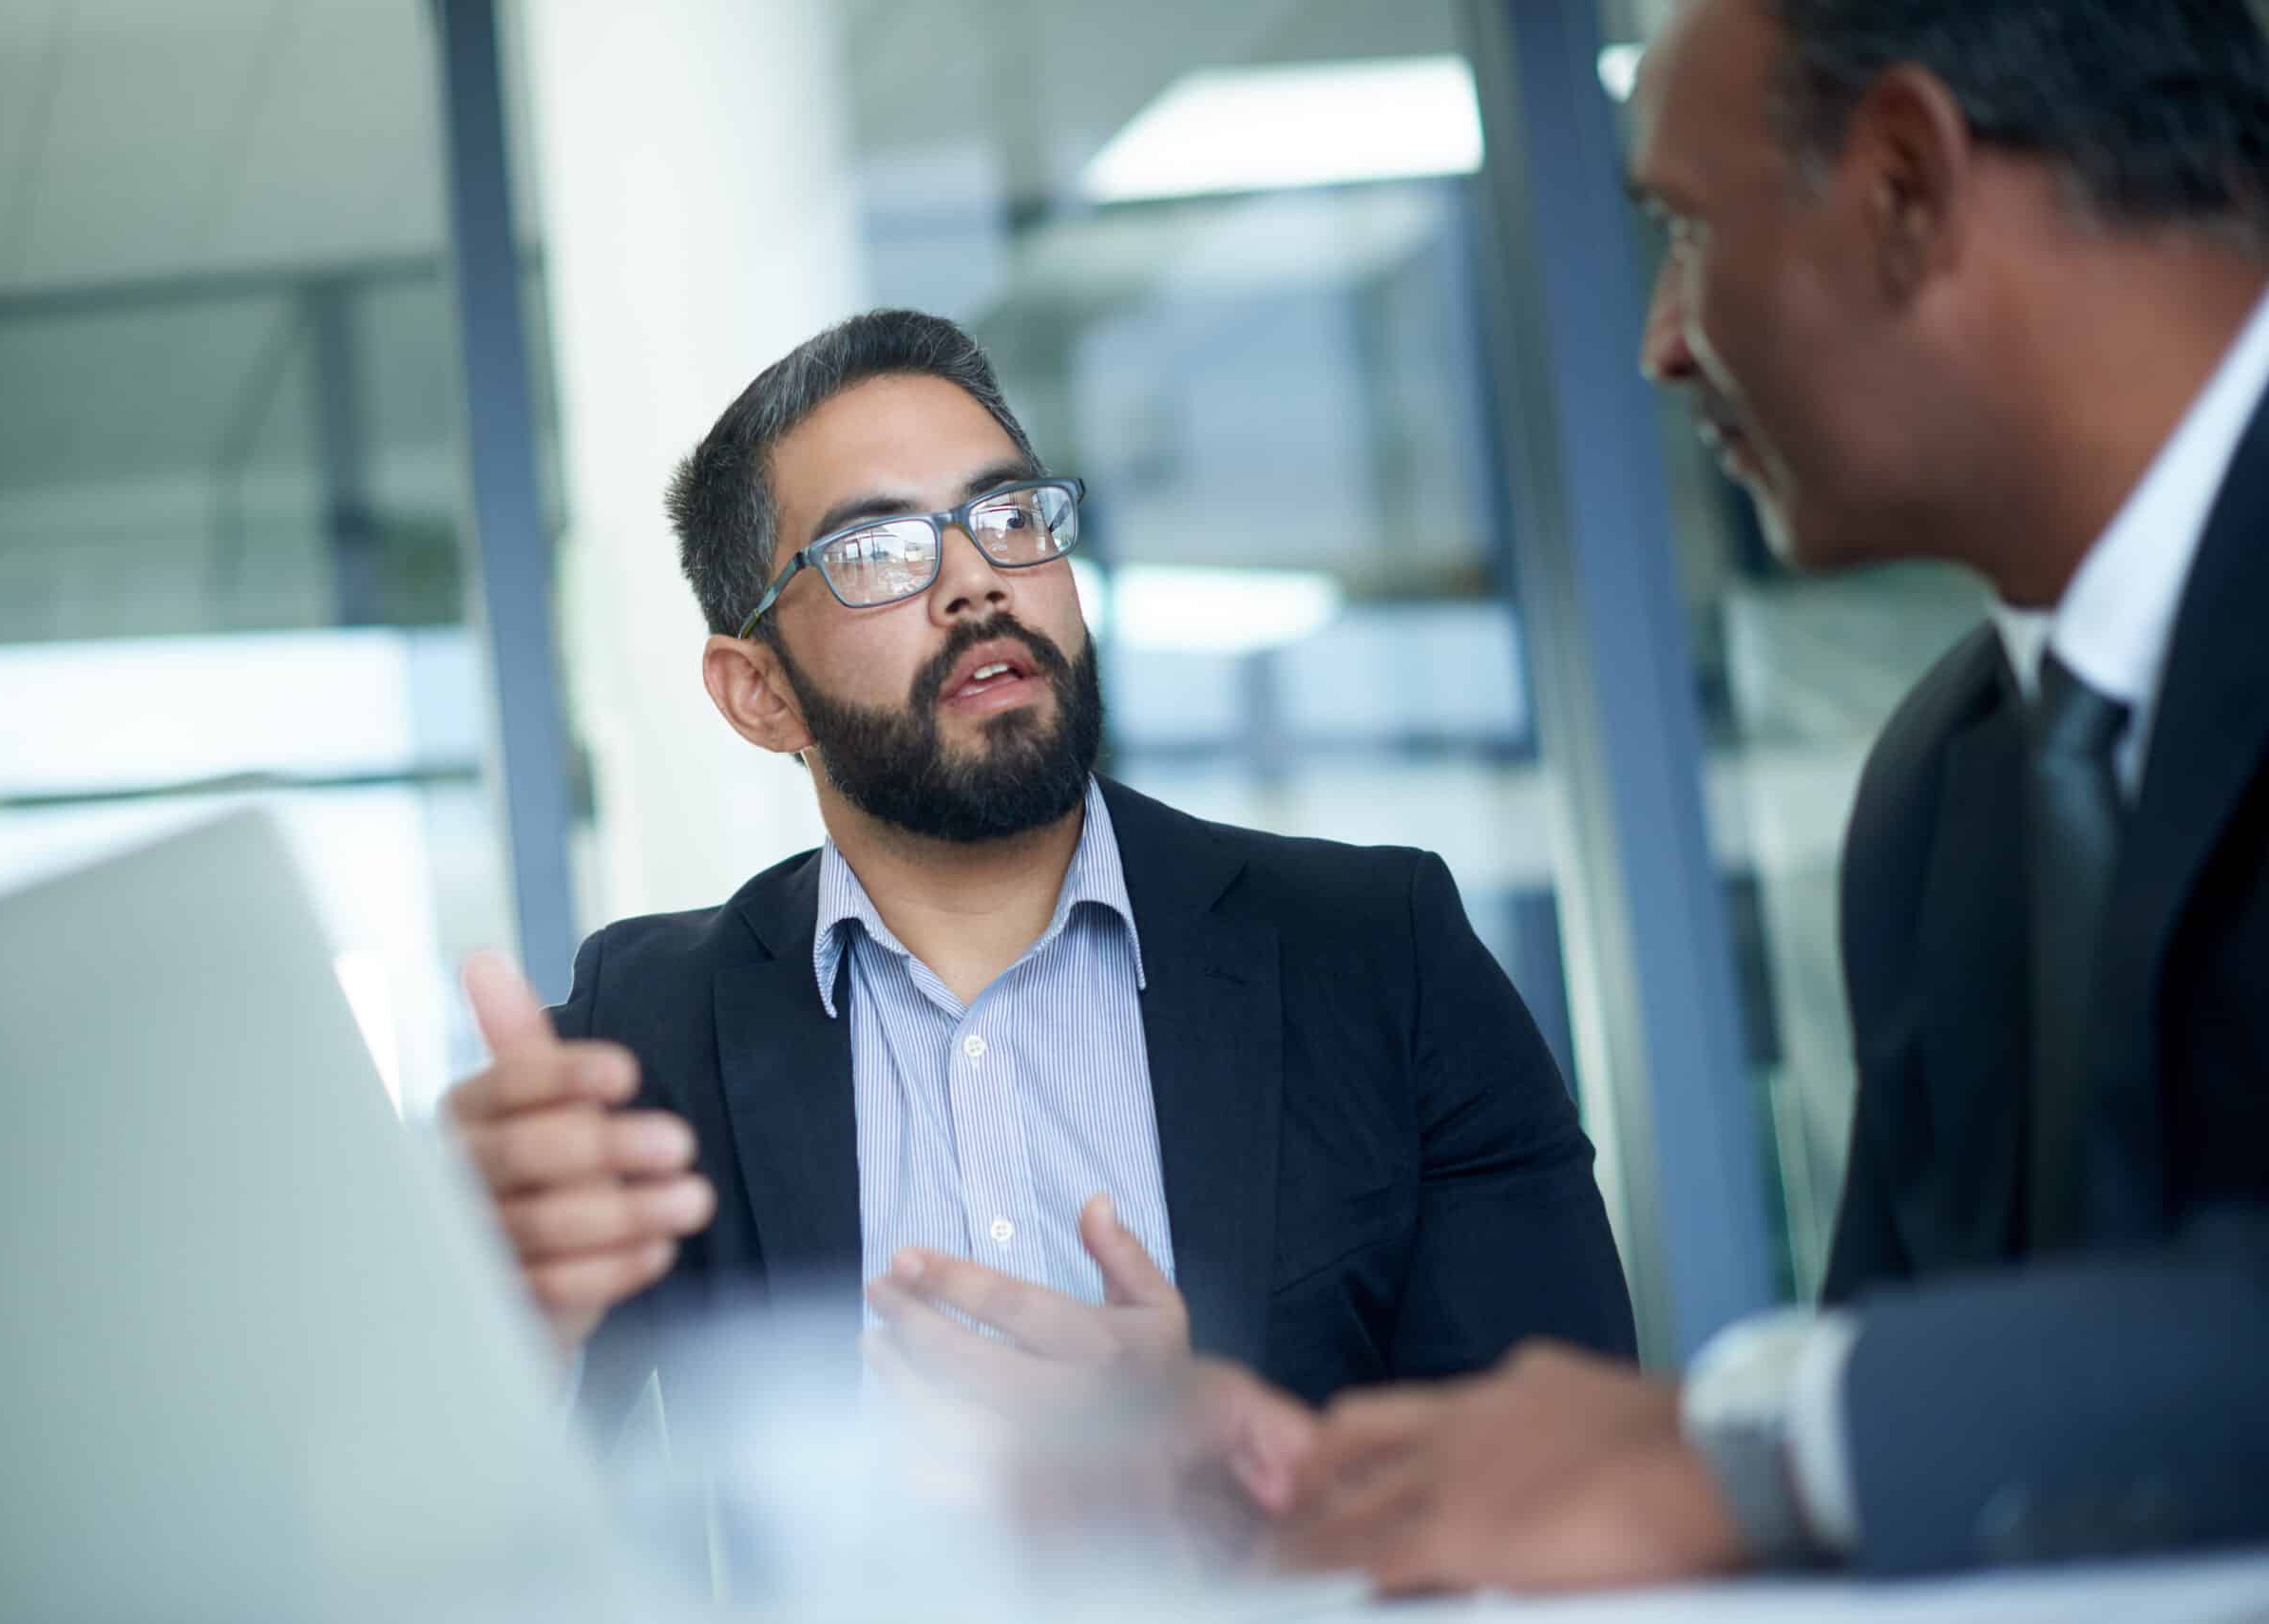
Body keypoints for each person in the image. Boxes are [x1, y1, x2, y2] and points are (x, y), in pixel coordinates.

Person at [1270, 0, 2269, 1591]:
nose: (1663, 339)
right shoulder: (1948, 789)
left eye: (1683, 227)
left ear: (1903, 182)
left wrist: (1755, 1436)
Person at [444, 309, 1635, 1444]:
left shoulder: (1378, 956)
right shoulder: (644, 1036)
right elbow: (471, 1515)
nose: (976, 581)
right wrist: (477, 1308)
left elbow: (1571, 1478)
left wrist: (1232, 1471)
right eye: (878, 550)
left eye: (1008, 514)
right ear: (759, 692)